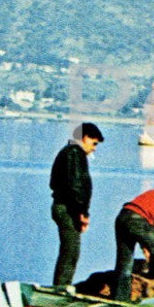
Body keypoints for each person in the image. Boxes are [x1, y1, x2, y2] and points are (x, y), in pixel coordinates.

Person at [49, 122, 104, 286]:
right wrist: (82, 213)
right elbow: (76, 186)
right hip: (68, 208)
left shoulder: (70, 152)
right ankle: (60, 290)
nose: (94, 148)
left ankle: (61, 287)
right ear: (85, 138)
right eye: (94, 143)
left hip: (67, 207)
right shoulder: (74, 153)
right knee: (71, 251)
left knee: (70, 250)